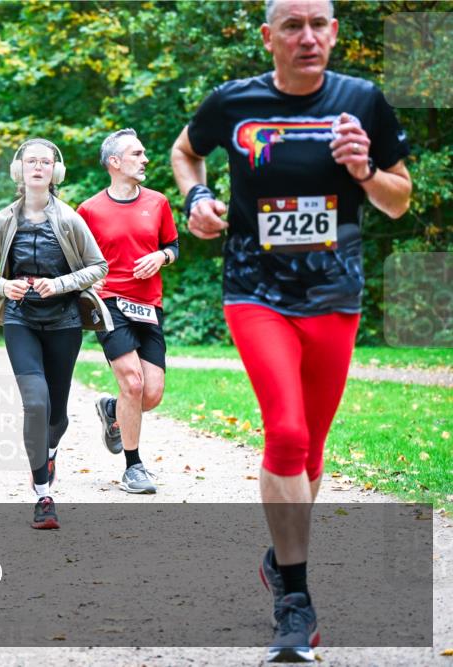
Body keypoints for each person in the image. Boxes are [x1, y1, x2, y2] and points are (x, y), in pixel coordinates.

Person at [169, 0, 412, 662]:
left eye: (319, 25)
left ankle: (282, 560)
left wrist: (365, 171)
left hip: (335, 295)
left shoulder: (362, 101)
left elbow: (400, 197)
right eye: (293, 26)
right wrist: (196, 200)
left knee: (310, 452)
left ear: (334, 33)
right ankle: (295, 603)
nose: (308, 37)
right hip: (256, 290)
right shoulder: (234, 101)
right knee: (286, 430)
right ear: (268, 37)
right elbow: (185, 153)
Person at [0, 138, 111, 530]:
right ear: (20, 170)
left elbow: (98, 266)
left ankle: (49, 449)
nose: (38, 167)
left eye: (45, 162)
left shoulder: (69, 218)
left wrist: (62, 284)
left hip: (65, 322)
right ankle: (43, 494)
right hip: (20, 319)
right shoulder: (3, 219)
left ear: (55, 171)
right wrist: (4, 287)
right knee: (35, 404)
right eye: (31, 161)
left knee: (56, 415)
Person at [78, 129, 179, 496]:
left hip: (149, 306)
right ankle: (134, 467)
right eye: (137, 154)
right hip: (109, 304)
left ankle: (111, 409)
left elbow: (173, 245)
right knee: (132, 384)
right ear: (115, 163)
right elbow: (76, 261)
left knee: (150, 395)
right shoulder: (89, 210)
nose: (145, 160)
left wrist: (162, 256)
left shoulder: (159, 202)